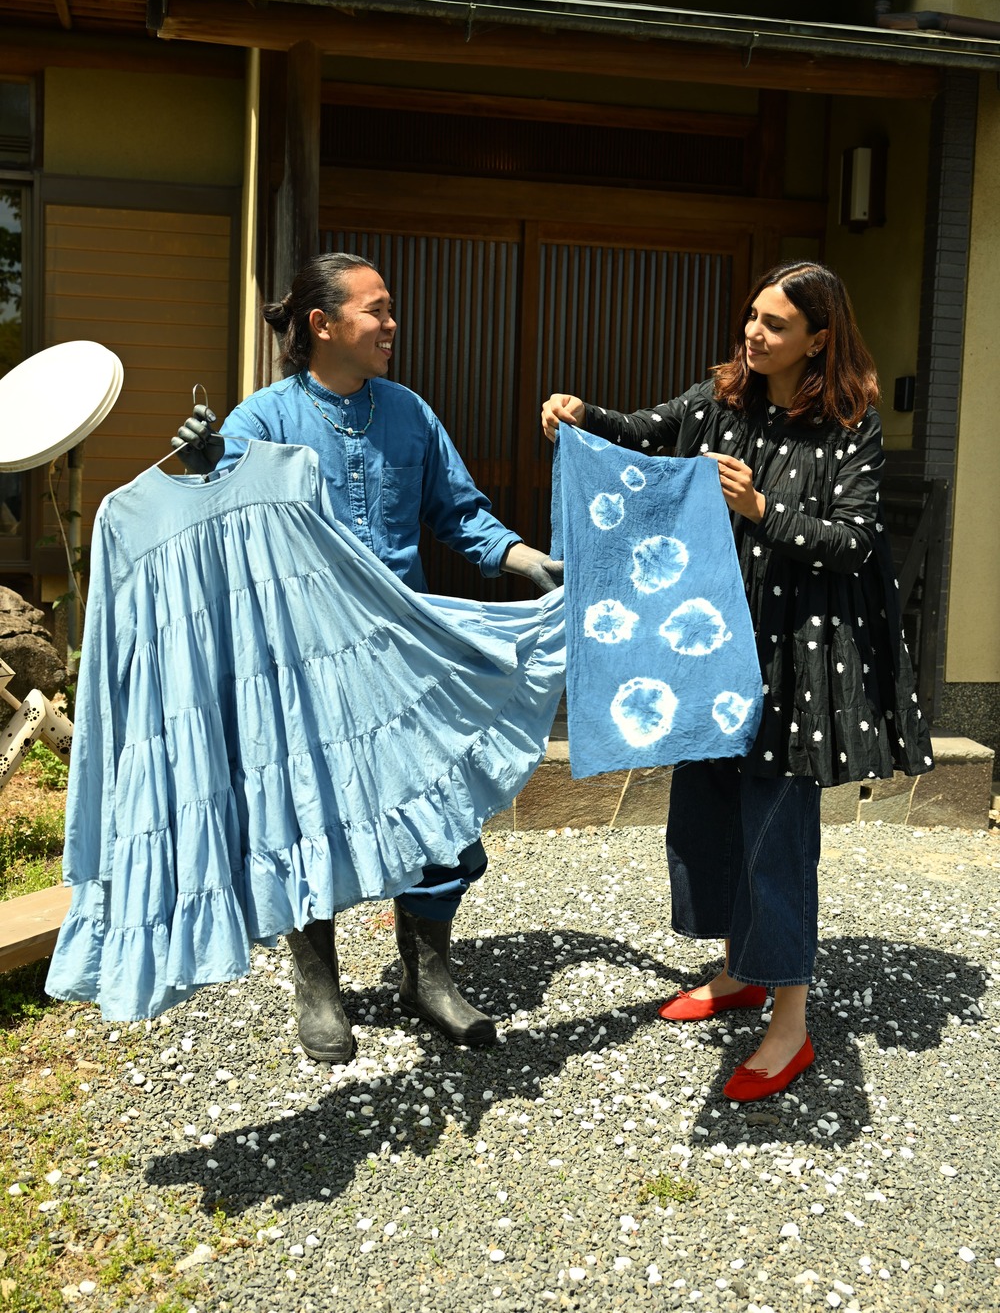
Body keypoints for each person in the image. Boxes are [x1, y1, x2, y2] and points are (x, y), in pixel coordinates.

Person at [541, 261, 932, 1103]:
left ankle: (790, 1023)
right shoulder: (723, 398)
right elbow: (644, 432)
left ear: (819, 338)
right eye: (753, 317)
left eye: (776, 325)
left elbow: (857, 543)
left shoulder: (850, 423)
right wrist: (581, 416)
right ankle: (739, 970)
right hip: (714, 650)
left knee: (778, 835)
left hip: (798, 657)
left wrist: (763, 512)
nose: (755, 334)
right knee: (709, 809)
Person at [175, 251, 561, 1063]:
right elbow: (220, 525)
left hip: (402, 650)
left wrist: (529, 563)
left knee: (440, 806)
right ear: (323, 324)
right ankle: (318, 989)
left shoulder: (410, 413)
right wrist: (205, 469)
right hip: (302, 661)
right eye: (377, 310)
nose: (392, 324)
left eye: (390, 311)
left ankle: (428, 974)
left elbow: (462, 516)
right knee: (309, 811)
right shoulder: (264, 420)